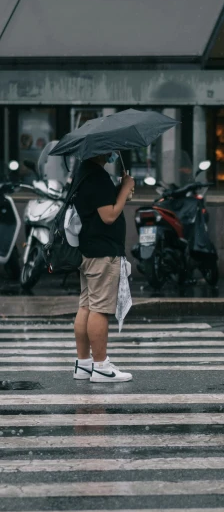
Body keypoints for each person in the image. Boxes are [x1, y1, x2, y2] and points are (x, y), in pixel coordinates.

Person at [72, 152, 135, 383]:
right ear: (98, 150)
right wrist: (126, 188)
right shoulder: (96, 176)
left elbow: (100, 208)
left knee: (86, 305)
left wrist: (120, 193)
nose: (112, 153)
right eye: (108, 149)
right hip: (103, 252)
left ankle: (83, 364)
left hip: (88, 249)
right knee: (99, 309)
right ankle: (101, 367)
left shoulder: (82, 172)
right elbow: (108, 216)